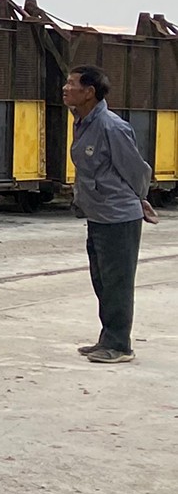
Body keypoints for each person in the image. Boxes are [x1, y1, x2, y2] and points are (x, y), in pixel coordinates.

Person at [64, 64, 156, 364]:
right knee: (102, 280)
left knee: (117, 282)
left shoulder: (111, 126)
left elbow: (136, 169)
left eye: (72, 83)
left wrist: (140, 199)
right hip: (98, 214)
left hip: (118, 216)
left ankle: (119, 345)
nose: (65, 88)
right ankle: (108, 338)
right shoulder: (82, 121)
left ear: (89, 92)